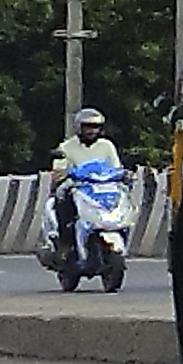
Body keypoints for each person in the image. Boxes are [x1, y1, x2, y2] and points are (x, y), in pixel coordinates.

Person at [48, 109, 123, 259]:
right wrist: (63, 173)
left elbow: (116, 167)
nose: (91, 131)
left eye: (95, 127)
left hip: (101, 188)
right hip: (76, 187)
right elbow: (58, 170)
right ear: (79, 127)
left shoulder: (107, 146)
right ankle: (65, 243)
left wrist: (123, 174)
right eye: (87, 126)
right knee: (63, 199)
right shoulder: (67, 147)